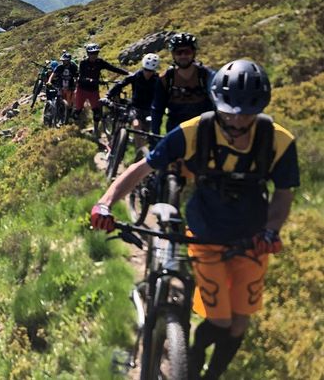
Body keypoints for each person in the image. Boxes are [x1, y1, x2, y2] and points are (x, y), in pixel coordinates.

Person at [90, 59, 299, 379]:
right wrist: (105, 203)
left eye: (248, 112)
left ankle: (209, 373)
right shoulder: (196, 131)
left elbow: (284, 192)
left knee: (240, 322)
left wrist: (272, 230)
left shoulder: (278, 140)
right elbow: (143, 168)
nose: (239, 120)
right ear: (217, 103)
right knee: (221, 321)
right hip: (204, 233)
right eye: (231, 111)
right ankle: (189, 364)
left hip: (252, 238)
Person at [151, 33, 214, 135]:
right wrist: (154, 134)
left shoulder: (206, 75)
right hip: (176, 131)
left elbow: (218, 102)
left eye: (187, 52)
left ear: (193, 53)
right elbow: (157, 109)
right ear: (173, 54)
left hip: (203, 128)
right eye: (179, 52)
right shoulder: (166, 79)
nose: (183, 56)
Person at [73, 43, 128, 137]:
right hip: (82, 89)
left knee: (97, 111)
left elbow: (112, 68)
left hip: (93, 90)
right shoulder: (83, 63)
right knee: (78, 110)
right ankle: (75, 127)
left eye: (96, 53)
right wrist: (93, 80)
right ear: (88, 54)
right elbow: (81, 77)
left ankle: (95, 130)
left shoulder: (100, 62)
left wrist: (127, 73)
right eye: (92, 53)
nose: (94, 55)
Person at [47, 52, 78, 120]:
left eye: (65, 60)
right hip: (60, 85)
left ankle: (68, 115)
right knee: (59, 97)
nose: (63, 62)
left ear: (69, 60)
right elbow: (53, 74)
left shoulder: (73, 67)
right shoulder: (60, 67)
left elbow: (76, 76)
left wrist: (77, 83)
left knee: (69, 103)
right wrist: (49, 81)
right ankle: (57, 112)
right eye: (62, 60)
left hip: (70, 86)